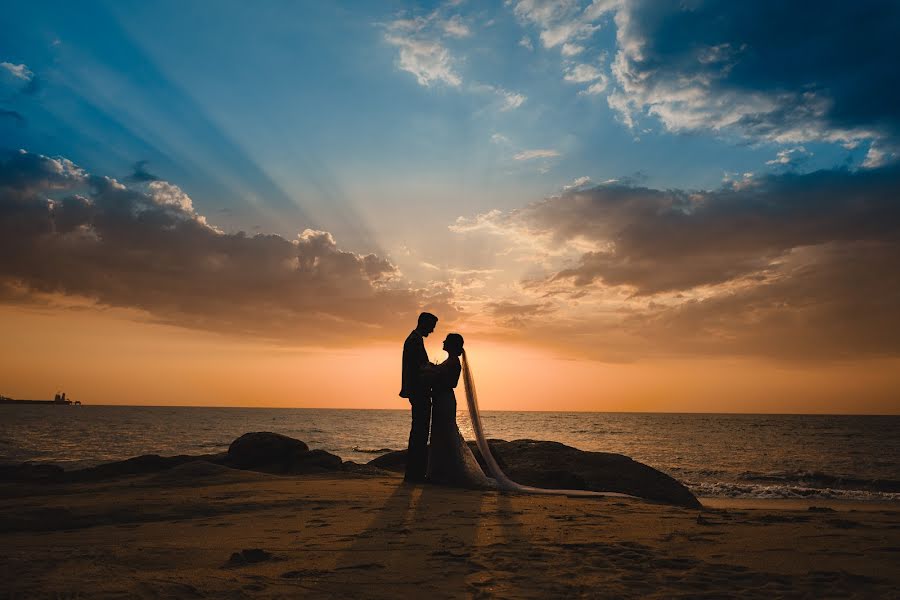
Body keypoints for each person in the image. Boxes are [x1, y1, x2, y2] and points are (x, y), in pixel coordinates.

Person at [424, 333, 495, 489]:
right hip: (441, 399)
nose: (443, 341)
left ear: (451, 345)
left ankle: (449, 473)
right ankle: (440, 472)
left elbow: (452, 383)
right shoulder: (449, 361)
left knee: (446, 433)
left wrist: (433, 376)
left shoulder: (454, 363)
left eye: (446, 340)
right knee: (439, 433)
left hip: (445, 399)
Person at [399, 312, 438, 483]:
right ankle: (415, 474)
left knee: (420, 431)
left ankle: (414, 473)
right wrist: (433, 371)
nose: (432, 331)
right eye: (431, 326)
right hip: (418, 392)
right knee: (420, 432)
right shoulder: (414, 341)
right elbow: (417, 369)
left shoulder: (414, 339)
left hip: (417, 391)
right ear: (424, 323)